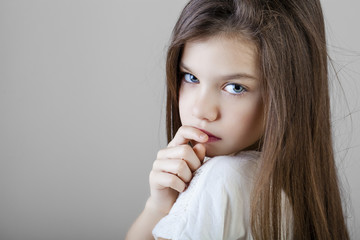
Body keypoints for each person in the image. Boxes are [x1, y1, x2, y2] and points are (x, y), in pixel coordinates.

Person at [126, 0, 350, 239]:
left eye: (234, 87)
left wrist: (157, 208)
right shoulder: (291, 192)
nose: (201, 110)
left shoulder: (224, 179)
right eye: (191, 77)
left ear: (287, 93)